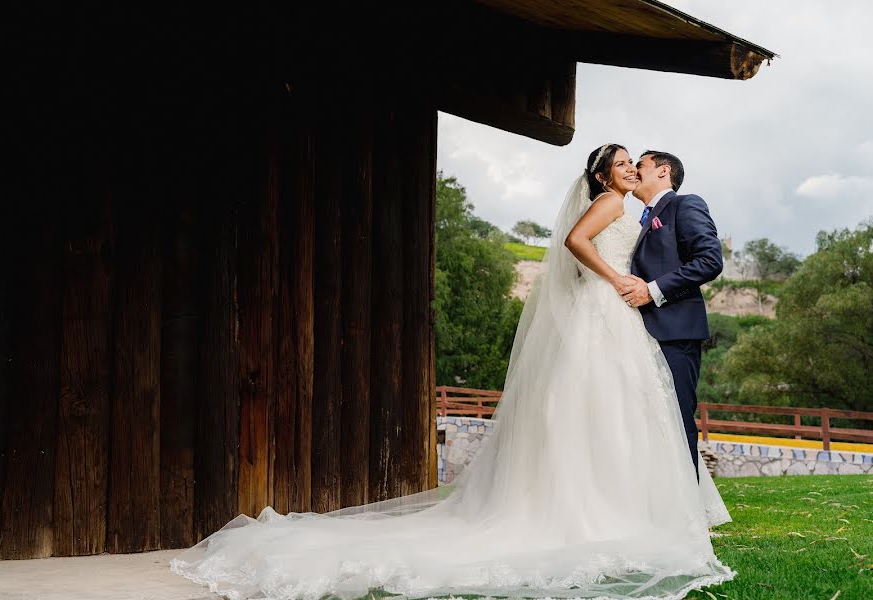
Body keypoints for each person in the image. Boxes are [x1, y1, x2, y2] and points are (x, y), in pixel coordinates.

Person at [170, 144, 735, 600]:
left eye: (636, 163)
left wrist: (634, 286)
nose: (632, 168)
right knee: (603, 407)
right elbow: (575, 242)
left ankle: (631, 505)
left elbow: (673, 259)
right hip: (608, 309)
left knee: (618, 411)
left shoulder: (655, 209)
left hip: (626, 317)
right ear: (604, 175)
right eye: (622, 163)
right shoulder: (613, 204)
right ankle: (605, 510)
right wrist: (615, 281)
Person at [619, 151, 724, 479]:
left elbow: (710, 259)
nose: (635, 170)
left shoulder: (685, 205)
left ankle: (690, 515)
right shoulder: (638, 220)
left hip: (675, 332)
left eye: (641, 165)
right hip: (639, 333)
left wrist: (651, 290)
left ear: (664, 171)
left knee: (676, 420)